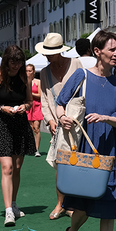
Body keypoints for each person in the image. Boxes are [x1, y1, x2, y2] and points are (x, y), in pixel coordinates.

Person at [55, 31, 116, 231]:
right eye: (112, 49)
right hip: (85, 148)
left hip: (109, 150)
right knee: (83, 207)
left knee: (109, 206)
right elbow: (60, 102)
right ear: (97, 52)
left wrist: (107, 118)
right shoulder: (82, 75)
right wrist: (63, 118)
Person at [0, 45, 37, 227]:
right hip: (1, 123)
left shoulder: (24, 77)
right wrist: (1, 108)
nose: (16, 66)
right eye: (13, 62)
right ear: (6, 61)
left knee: (17, 167)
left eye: (20, 62)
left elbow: (29, 101)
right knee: (7, 168)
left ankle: (14, 204)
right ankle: (8, 212)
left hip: (20, 123)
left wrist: (25, 107)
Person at [38, 33, 83, 220]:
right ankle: (61, 203)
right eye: (46, 52)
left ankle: (74, 203)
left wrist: (73, 116)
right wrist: (50, 120)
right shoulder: (44, 73)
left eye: (51, 52)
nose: (47, 55)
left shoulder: (76, 64)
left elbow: (83, 93)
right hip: (57, 124)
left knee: (78, 163)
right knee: (61, 164)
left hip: (77, 121)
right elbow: (44, 100)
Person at [27, 64, 44, 157]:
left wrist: (31, 93)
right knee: (29, 129)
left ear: (33, 71)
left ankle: (36, 149)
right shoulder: (23, 82)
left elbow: (40, 95)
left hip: (36, 106)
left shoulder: (38, 82)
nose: (28, 73)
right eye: (26, 71)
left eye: (30, 71)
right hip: (27, 107)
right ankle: (30, 147)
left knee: (36, 128)